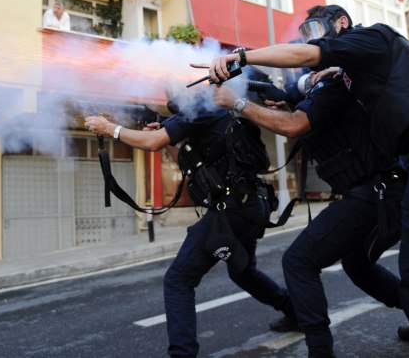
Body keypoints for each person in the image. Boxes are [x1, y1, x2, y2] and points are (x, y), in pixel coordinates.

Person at [205, 4, 409, 358]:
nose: (309, 39)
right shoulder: (352, 69)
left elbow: (308, 56)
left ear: (341, 23)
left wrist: (241, 56)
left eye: (315, 29)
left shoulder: (373, 35)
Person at [84, 93, 296, 358]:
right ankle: (295, 311)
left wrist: (110, 129)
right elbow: (186, 163)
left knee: (178, 280)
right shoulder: (207, 119)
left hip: (232, 209)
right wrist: (165, 133)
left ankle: (182, 353)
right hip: (248, 205)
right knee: (243, 272)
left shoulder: (202, 110)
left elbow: (152, 143)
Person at [214, 70, 404, 358]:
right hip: (373, 191)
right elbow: (309, 121)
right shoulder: (320, 95)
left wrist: (239, 103)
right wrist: (288, 105)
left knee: (299, 260)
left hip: (377, 190)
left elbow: (293, 126)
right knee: (358, 265)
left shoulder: (336, 83)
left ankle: (320, 350)